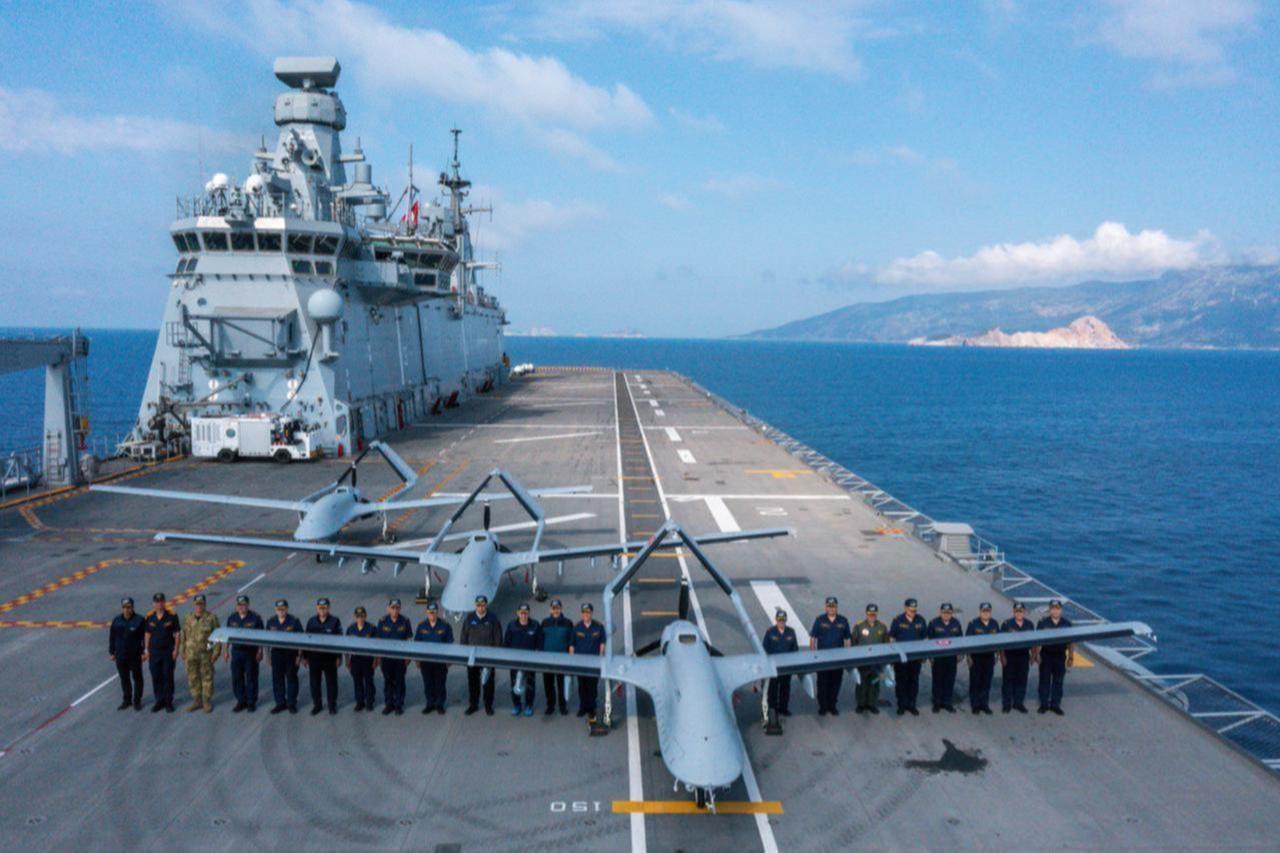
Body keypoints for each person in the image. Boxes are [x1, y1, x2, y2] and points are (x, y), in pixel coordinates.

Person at [461, 595, 503, 716]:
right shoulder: (469, 618)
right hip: (473, 657)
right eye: (478, 606)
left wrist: (496, 655)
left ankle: (488, 705)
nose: (480, 608)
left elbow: (498, 638)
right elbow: (464, 637)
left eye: (483, 605)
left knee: (488, 683)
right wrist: (464, 655)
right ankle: (473, 704)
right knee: (473, 682)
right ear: (475, 606)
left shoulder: (493, 618)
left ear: (486, 605)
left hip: (488, 657)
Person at [810, 596, 852, 715]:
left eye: (833, 606)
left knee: (835, 683)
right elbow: (813, 638)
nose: (831, 608)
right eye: (829, 606)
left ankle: (832, 705)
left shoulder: (843, 621)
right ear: (826, 607)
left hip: (838, 659)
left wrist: (847, 655)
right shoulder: (820, 620)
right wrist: (813, 655)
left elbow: (847, 639)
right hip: (823, 659)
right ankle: (823, 706)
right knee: (822, 683)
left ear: (836, 607)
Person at [181, 593, 221, 712]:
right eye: (197, 604)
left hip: (205, 654)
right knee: (193, 677)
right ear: (194, 605)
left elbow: (217, 637)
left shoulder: (211, 618)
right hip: (190, 654)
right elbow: (183, 635)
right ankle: (197, 700)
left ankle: (206, 701)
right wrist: (182, 651)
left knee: (207, 677)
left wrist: (216, 653)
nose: (199, 606)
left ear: (205, 604)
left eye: (201, 604)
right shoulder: (188, 618)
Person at [224, 595, 263, 713]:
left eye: (244, 605)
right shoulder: (232, 618)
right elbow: (227, 636)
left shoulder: (255, 618)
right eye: (239, 605)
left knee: (251, 677)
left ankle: (251, 702)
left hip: (250, 653)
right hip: (236, 652)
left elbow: (261, 636)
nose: (242, 607)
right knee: (237, 677)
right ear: (237, 606)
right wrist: (225, 651)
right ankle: (241, 700)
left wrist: (260, 651)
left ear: (248, 605)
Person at [888, 598, 927, 715]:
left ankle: (912, 704)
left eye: (914, 610)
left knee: (914, 681)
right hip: (901, 658)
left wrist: (924, 654)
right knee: (901, 681)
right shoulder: (898, 620)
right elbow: (891, 638)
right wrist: (893, 655)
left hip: (915, 658)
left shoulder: (921, 620)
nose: (913, 612)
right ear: (905, 608)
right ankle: (901, 704)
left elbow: (925, 638)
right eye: (911, 610)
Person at [144, 592, 181, 713]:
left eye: (161, 601)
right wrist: (146, 649)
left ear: (164, 602)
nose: (159, 604)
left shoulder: (172, 616)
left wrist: (176, 649)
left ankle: (168, 702)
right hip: (154, 652)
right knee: (156, 676)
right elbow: (147, 634)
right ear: (153, 603)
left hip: (168, 652)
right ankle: (159, 701)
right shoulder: (149, 617)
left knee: (168, 676)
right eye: (157, 602)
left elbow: (177, 634)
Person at [304, 598, 342, 715]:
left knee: (331, 683)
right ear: (317, 608)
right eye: (320, 608)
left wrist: (338, 657)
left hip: (329, 658)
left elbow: (339, 640)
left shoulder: (335, 621)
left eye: (324, 608)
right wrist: (305, 657)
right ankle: (317, 705)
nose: (322, 610)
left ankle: (332, 705)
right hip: (314, 658)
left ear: (328, 608)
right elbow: (306, 640)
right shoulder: (311, 622)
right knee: (314, 683)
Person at [1035, 599, 1074, 715]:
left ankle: (1055, 704)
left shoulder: (1067, 624)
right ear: (1050, 610)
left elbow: (1071, 642)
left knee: (1058, 681)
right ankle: (1043, 704)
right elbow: (1037, 640)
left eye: (1057, 609)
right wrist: (1036, 654)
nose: (1055, 611)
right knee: (1044, 680)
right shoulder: (1043, 623)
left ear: (1061, 610)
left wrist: (1071, 656)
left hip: (1060, 656)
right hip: (1046, 655)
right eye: (1053, 608)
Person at [376, 598, 413, 715]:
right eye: (392, 608)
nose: (395, 610)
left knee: (400, 682)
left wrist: (408, 657)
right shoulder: (382, 621)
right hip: (387, 658)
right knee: (388, 681)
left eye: (397, 608)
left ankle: (399, 704)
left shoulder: (405, 621)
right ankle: (389, 704)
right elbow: (378, 641)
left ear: (400, 609)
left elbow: (409, 640)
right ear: (388, 609)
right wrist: (379, 657)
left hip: (400, 659)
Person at [505, 603, 543, 717]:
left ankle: (529, 705)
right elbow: (506, 642)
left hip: (530, 661)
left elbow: (540, 643)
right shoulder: (511, 625)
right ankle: (516, 705)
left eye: (526, 613)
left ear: (529, 613)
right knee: (514, 683)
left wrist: (537, 655)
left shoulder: (535, 625)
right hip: (515, 661)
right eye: (521, 613)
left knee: (530, 684)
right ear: (518, 613)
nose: (523, 615)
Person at [414, 601, 453, 714]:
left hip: (440, 661)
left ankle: (440, 704)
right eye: (430, 612)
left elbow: (450, 644)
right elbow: (417, 643)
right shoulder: (421, 626)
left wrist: (449, 659)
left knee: (440, 683)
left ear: (437, 613)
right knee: (428, 683)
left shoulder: (445, 626)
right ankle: (430, 703)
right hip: (426, 661)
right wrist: (417, 659)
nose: (432, 614)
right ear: (427, 613)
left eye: (434, 612)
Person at [266, 599, 303, 714]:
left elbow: (301, 639)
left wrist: (299, 656)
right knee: (277, 679)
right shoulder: (271, 622)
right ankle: (280, 703)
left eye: (283, 609)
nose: (281, 611)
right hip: (276, 654)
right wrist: (268, 656)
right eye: (278, 609)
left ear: (287, 609)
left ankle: (291, 703)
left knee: (291, 678)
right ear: (275, 610)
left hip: (291, 654)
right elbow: (266, 640)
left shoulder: (294, 621)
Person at [569, 603, 606, 719]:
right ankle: (583, 707)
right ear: (581, 614)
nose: (586, 614)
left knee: (592, 687)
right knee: (582, 686)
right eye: (584, 612)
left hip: (594, 663)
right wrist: (571, 660)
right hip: (580, 663)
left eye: (588, 612)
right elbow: (572, 645)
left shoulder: (599, 627)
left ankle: (592, 708)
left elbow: (602, 643)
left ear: (591, 613)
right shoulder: (576, 627)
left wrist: (601, 657)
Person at [108, 597, 145, 711]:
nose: (126, 610)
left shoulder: (139, 620)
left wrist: (144, 652)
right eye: (124, 607)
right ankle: (127, 700)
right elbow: (112, 637)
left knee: (137, 678)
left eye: (128, 607)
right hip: (121, 655)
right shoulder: (117, 620)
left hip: (135, 655)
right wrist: (112, 652)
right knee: (124, 679)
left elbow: (145, 637)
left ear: (132, 607)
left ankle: (137, 701)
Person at [927, 602, 963, 713]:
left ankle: (947, 703)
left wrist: (959, 655)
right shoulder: (934, 623)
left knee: (949, 680)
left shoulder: (956, 623)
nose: (946, 615)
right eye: (944, 612)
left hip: (951, 658)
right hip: (938, 658)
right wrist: (930, 657)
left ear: (952, 613)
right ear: (940, 612)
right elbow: (929, 642)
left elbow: (960, 640)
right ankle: (937, 703)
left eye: (948, 613)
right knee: (937, 680)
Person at [853, 603, 889, 714]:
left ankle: (871, 704)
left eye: (873, 614)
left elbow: (886, 644)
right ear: (866, 614)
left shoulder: (882, 627)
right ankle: (861, 704)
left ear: (876, 614)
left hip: (876, 662)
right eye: (870, 614)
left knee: (874, 683)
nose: (871, 616)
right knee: (861, 684)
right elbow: (854, 642)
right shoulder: (859, 626)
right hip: (863, 661)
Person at [762, 609, 799, 716]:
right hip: (774, 667)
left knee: (785, 689)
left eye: (783, 620)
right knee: (772, 689)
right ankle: (773, 709)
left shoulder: (791, 632)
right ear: (776, 620)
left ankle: (783, 708)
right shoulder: (770, 632)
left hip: (786, 668)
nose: (781, 622)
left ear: (785, 620)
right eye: (779, 620)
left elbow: (795, 649)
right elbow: (765, 649)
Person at [1000, 602, 1034, 713]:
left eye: (1021, 611)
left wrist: (1033, 656)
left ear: (1024, 612)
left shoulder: (1030, 625)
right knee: (1008, 681)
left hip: (1024, 656)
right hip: (1010, 656)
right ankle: (1006, 704)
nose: (1019, 613)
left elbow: (1034, 641)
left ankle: (1018, 703)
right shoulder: (1006, 624)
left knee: (1022, 681)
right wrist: (1002, 656)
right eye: (1017, 611)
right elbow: (1000, 642)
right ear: (1013, 612)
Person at [540, 599, 573, 715]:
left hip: (562, 660)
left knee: (561, 684)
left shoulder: (568, 623)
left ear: (561, 609)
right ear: (550, 610)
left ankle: (562, 706)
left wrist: (570, 657)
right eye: (553, 608)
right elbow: (540, 640)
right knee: (548, 685)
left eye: (557, 608)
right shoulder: (544, 622)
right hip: (547, 660)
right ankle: (550, 705)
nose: (555, 610)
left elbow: (571, 642)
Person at [965, 602, 999, 714]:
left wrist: (997, 655)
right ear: (980, 612)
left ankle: (984, 704)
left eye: (988, 611)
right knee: (975, 681)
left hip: (989, 657)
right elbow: (967, 642)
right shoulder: (973, 624)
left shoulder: (994, 624)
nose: (986, 613)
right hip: (976, 658)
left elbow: (999, 641)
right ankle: (975, 705)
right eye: (984, 611)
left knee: (986, 681)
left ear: (990, 612)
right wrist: (968, 657)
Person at [346, 606, 377, 712]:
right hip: (355, 660)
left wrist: (376, 659)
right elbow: (346, 646)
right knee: (357, 682)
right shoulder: (350, 629)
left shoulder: (372, 628)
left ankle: (369, 702)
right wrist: (347, 660)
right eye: (358, 616)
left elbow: (377, 645)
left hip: (368, 660)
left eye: (362, 616)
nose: (360, 618)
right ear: (355, 617)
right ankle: (360, 702)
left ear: (366, 616)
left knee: (369, 681)